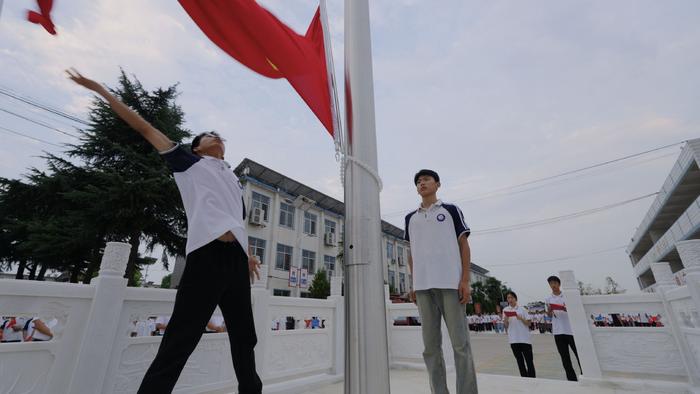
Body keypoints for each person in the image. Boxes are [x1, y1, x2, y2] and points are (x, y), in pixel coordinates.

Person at [67, 69, 263, 394]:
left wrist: (250, 257)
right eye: (207, 134)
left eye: (219, 134)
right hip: (207, 258)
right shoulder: (187, 162)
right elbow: (144, 127)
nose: (216, 135)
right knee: (181, 338)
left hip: (235, 263)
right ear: (197, 147)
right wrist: (100, 89)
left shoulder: (233, 179)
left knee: (245, 337)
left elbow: (236, 222)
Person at [405, 169, 478, 394]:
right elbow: (411, 253)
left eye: (426, 179)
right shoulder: (411, 218)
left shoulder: (450, 210)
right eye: (418, 181)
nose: (422, 183)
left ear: (437, 184)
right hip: (423, 287)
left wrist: (465, 280)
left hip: (450, 283)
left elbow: (463, 245)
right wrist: (414, 284)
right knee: (430, 347)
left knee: (460, 345)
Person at [545, 275, 582, 381]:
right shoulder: (548, 299)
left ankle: (584, 375)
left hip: (571, 331)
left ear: (559, 284)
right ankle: (572, 379)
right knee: (565, 358)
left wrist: (567, 309)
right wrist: (549, 311)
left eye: (554, 283)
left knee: (579, 355)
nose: (553, 285)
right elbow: (549, 315)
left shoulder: (566, 296)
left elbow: (575, 311)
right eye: (551, 284)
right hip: (558, 332)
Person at [503, 291, 535, 378]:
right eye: (508, 298)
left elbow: (529, 324)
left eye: (511, 297)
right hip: (513, 340)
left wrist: (521, 318)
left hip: (525, 340)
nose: (510, 299)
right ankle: (524, 379)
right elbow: (506, 326)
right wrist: (506, 319)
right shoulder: (505, 310)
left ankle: (532, 379)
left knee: (529, 361)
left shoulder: (522, 309)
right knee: (519, 361)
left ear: (515, 299)